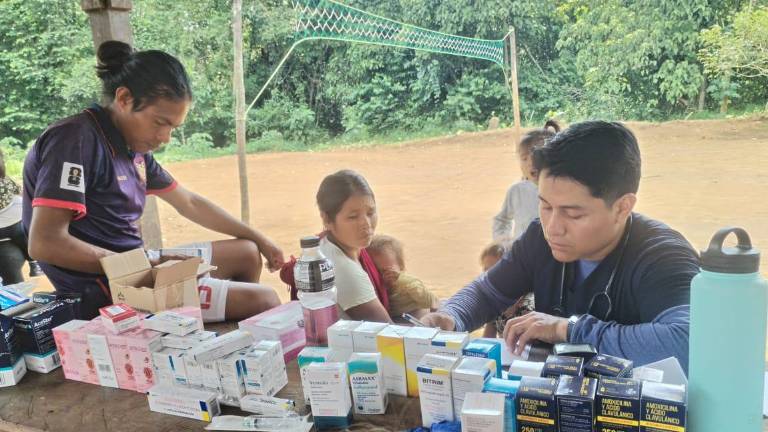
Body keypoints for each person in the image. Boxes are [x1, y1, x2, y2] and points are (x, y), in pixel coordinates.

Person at [22, 40, 284, 321]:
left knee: (247, 251)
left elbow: (190, 203)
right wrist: (147, 263)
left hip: (139, 262)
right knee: (264, 299)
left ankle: (208, 326)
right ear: (124, 99)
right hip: (107, 287)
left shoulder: (132, 147)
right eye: (160, 122)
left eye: (173, 127)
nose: (165, 137)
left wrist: (261, 238)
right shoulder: (75, 139)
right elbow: (45, 243)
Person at [422, 121, 698, 371]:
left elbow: (690, 343)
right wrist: (451, 316)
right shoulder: (538, 238)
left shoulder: (663, 256)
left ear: (622, 207)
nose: (552, 227)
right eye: (545, 205)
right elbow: (488, 293)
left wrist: (569, 330)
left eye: (573, 213)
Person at [313, 170, 391, 322]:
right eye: (353, 217)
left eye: (370, 212)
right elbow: (391, 337)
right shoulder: (342, 268)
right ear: (327, 219)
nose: (366, 225)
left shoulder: (328, 245)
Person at [492, 120, 560, 247]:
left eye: (536, 156)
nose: (530, 163)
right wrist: (503, 242)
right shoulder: (517, 191)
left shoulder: (564, 190)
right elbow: (501, 220)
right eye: (524, 158)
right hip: (523, 257)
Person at [367, 234, 439, 319]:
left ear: (401, 267)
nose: (382, 276)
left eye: (387, 271)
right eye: (376, 272)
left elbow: (432, 303)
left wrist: (401, 280)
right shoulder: (374, 290)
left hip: (419, 319)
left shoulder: (408, 283)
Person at [0, 148, 43, 282]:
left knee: (11, 275)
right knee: (26, 234)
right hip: (17, 223)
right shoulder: (5, 181)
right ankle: (35, 263)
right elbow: (21, 192)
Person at [479, 242, 534, 338]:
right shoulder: (494, 303)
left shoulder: (528, 305)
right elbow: (487, 340)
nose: (490, 275)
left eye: (495, 270)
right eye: (486, 270)